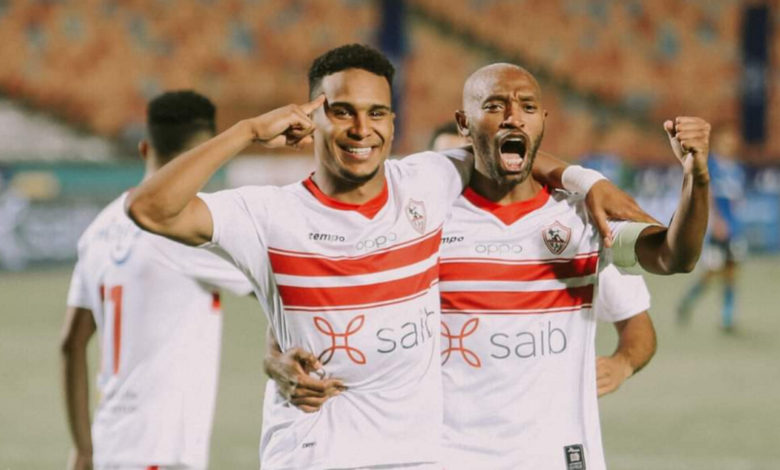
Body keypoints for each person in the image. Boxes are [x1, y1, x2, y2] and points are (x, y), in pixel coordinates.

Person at [125, 44, 653, 469]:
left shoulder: (425, 182)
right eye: (342, 112)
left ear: (393, 123)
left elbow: (503, 145)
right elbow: (150, 209)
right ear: (311, 118)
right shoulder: (267, 214)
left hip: (414, 456)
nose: (362, 129)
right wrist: (246, 132)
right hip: (314, 454)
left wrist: (585, 180)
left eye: (376, 112)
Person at [264, 63, 708, 469]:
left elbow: (674, 256)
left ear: (543, 121)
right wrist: (276, 356)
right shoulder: (423, 217)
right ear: (465, 124)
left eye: (527, 107)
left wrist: (696, 177)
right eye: (495, 106)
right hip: (441, 456)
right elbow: (323, 290)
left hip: (556, 455)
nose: (513, 117)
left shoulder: (581, 218)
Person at [60, 91, 253, 470]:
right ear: (205, 157)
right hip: (162, 450)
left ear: (145, 148)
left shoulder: (99, 228)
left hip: (110, 440)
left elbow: (71, 343)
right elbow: (282, 285)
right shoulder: (188, 230)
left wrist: (83, 447)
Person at [428, 122, 657, 399]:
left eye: (469, 163)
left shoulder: (569, 230)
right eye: (452, 165)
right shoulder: (420, 236)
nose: (462, 175)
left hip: (545, 415)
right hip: (445, 415)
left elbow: (634, 317)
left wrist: (621, 363)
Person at [677, 124, 746, 332]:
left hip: (734, 228)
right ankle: (687, 301)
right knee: (711, 273)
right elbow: (707, 193)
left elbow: (737, 199)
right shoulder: (712, 166)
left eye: (733, 141)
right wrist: (715, 221)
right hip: (718, 228)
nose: (730, 144)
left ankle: (727, 318)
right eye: (726, 140)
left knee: (732, 271)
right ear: (718, 143)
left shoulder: (737, 169)